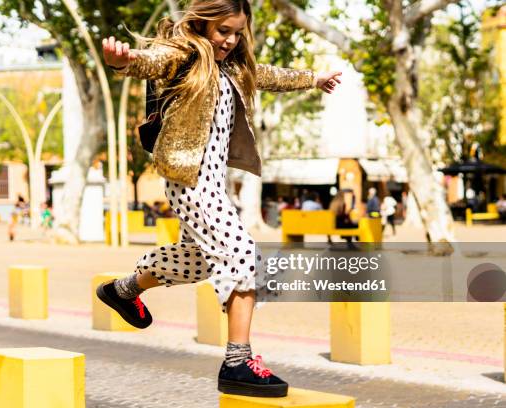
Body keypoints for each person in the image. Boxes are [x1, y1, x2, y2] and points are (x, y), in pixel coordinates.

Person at [97, 0, 341, 398]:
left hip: (213, 183)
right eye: (222, 30)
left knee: (196, 263)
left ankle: (122, 291)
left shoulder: (234, 68)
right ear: (204, 23)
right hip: (190, 181)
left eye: (236, 32)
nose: (229, 40)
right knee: (243, 255)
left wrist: (314, 79)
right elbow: (151, 61)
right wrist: (122, 62)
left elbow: (267, 75)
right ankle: (237, 362)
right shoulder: (186, 54)